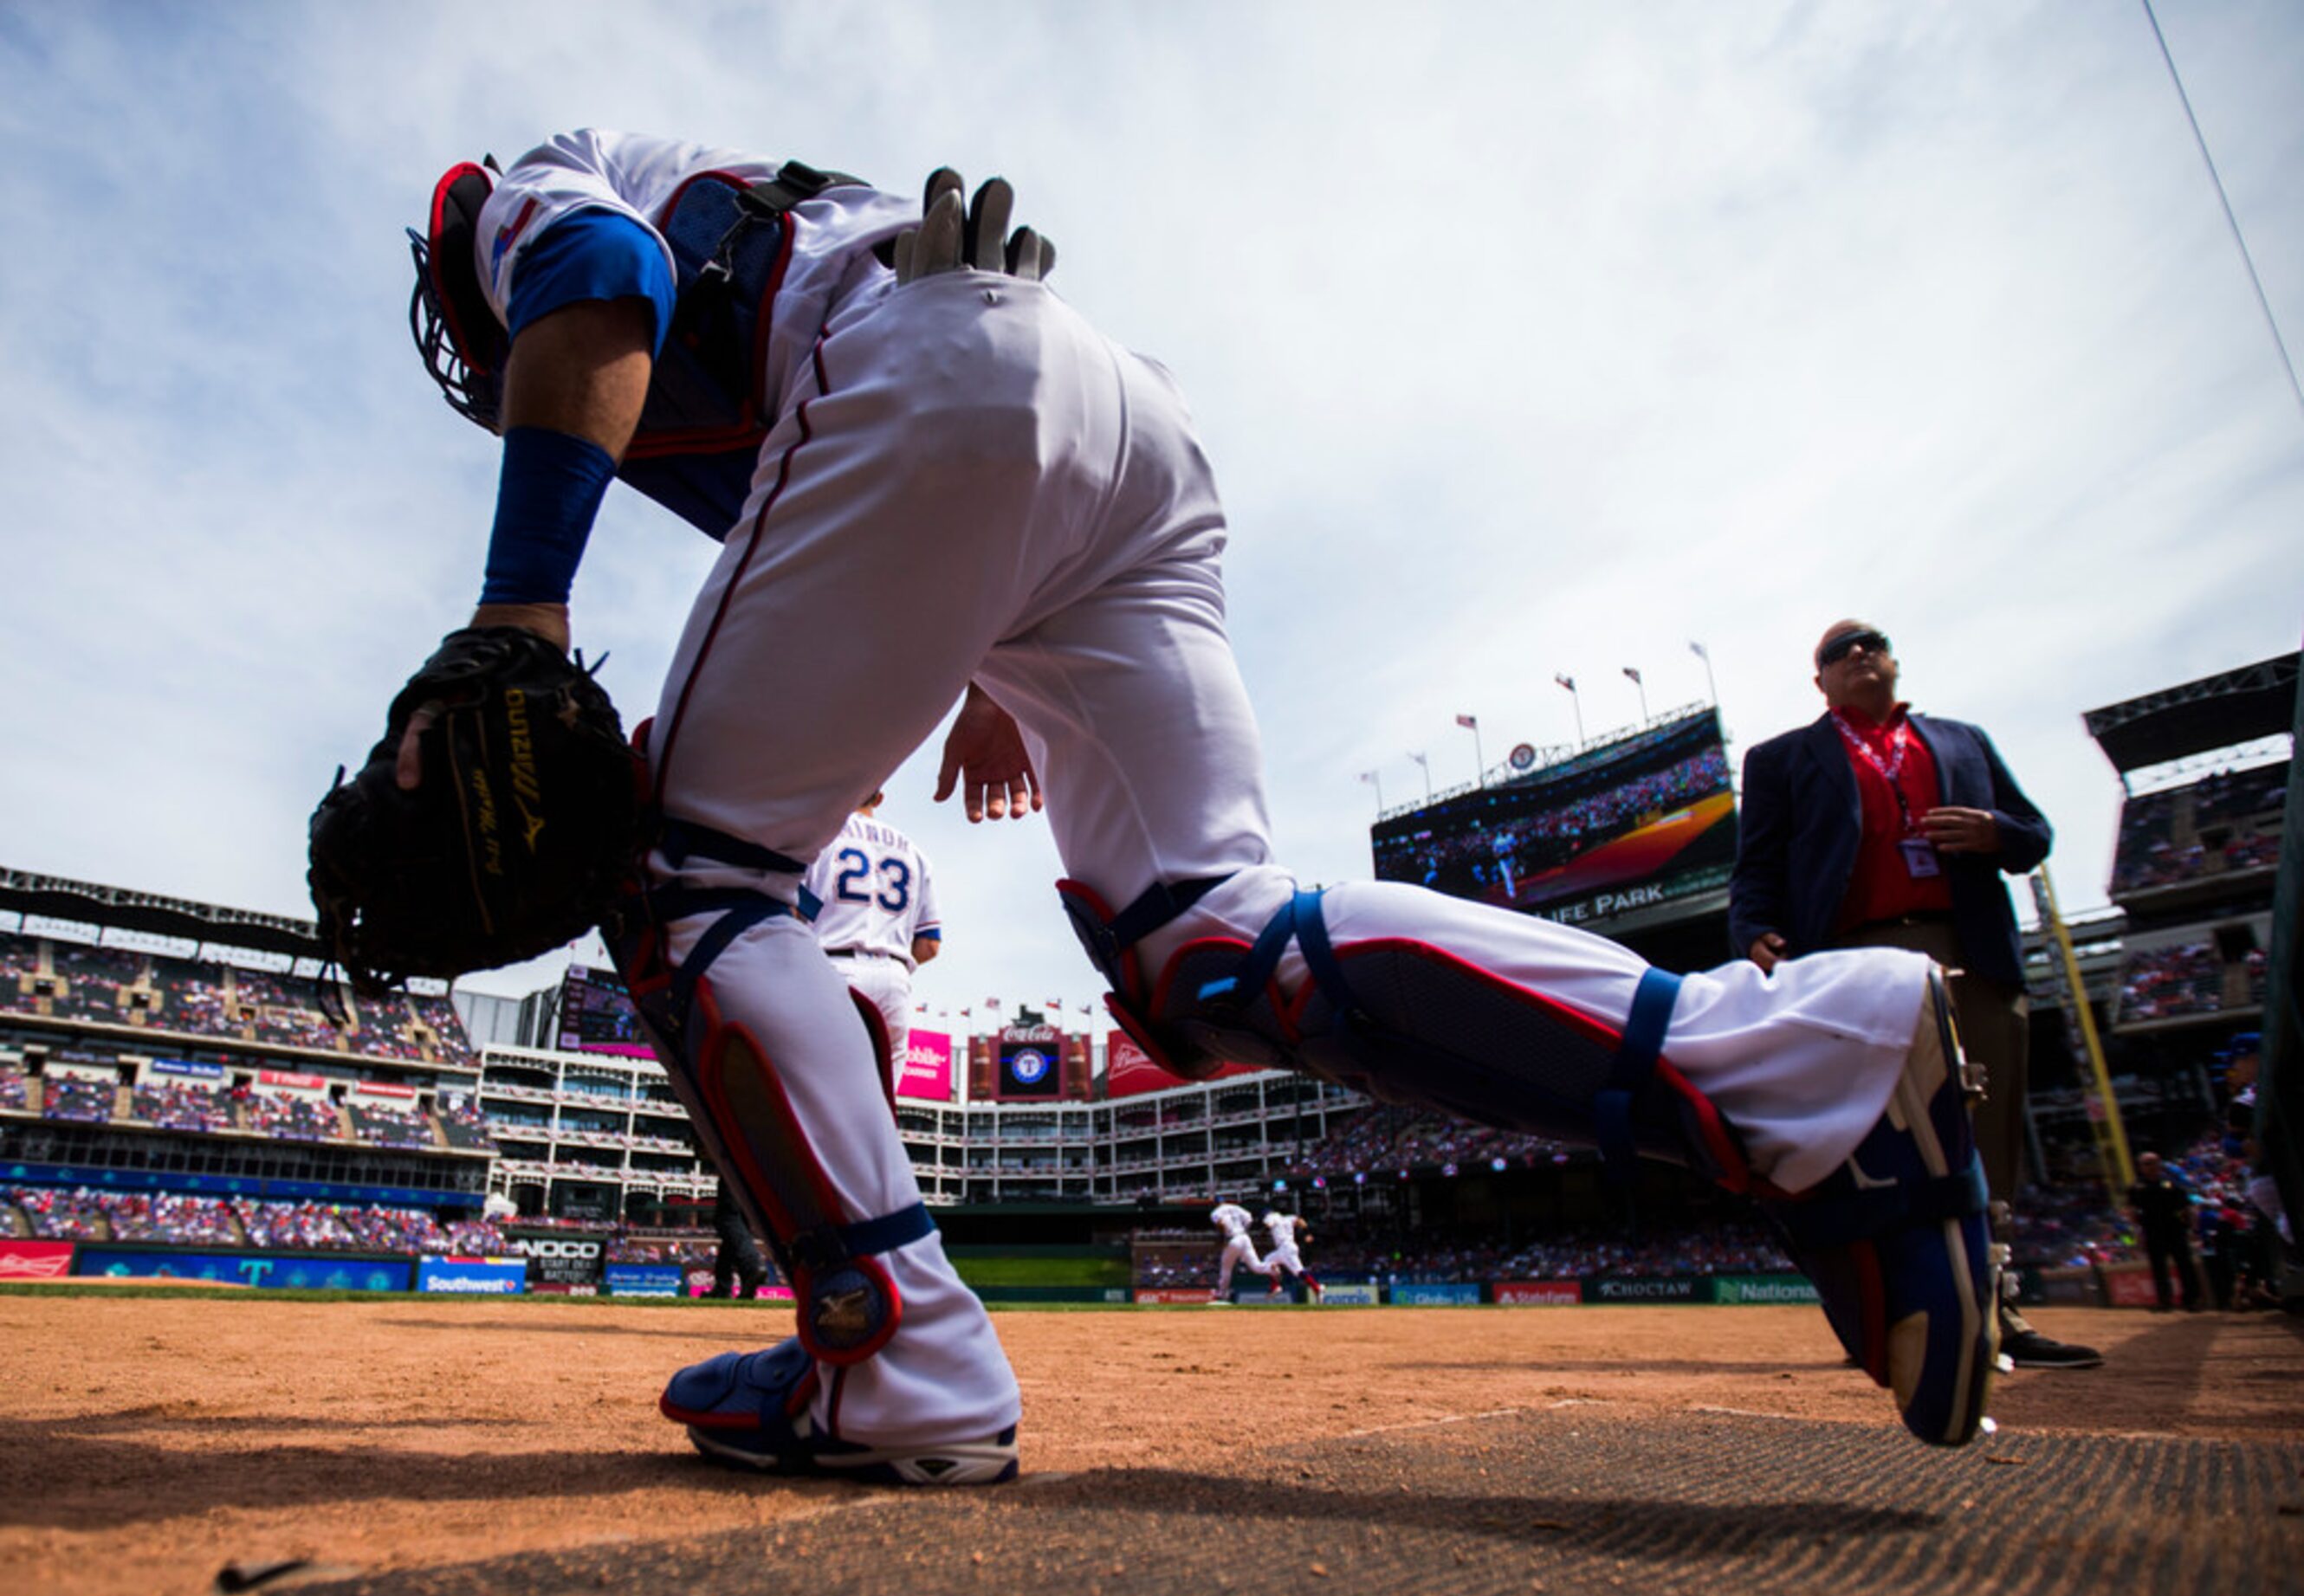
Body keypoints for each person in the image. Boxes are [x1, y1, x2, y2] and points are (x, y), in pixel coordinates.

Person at [398, 129, 2003, 1480]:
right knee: (1211, 944)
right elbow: (879, 474)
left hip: (936, 371)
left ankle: (892, 1356)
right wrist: (973, 650)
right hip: (1113, 428)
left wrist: (515, 614)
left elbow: (596, 267)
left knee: (685, 876)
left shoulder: (517, 192)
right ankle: (1802, 1057)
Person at [1729, 620, 2102, 1373]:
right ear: (1820, 681)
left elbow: (2035, 835)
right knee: (1863, 1137)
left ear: (1894, 662)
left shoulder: (1961, 741)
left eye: (1871, 642)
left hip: (1966, 945)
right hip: (1851, 957)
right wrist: (1754, 932)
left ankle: (1996, 1308)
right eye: (1838, 651)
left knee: (1985, 1129)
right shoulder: (1781, 759)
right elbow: (1757, 863)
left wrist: (1998, 832)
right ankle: (1883, 1313)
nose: (1857, 653)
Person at [801, 790, 942, 1089]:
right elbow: (930, 944)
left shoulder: (818, 837)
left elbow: (796, 912)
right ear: (878, 799)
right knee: (880, 1107)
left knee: (822, 1094)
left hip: (832, 968)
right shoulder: (914, 852)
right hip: (895, 981)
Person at [2128, 1152, 2202, 1313]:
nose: (2151, 1167)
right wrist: (2138, 1233)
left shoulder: (2172, 1184)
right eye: (2146, 1163)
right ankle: (2164, 1301)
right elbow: (2132, 1213)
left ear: (2159, 1164)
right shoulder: (2136, 1188)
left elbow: (2187, 1207)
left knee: (2185, 1265)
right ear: (2140, 1167)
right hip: (2152, 1230)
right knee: (2158, 1268)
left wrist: (2192, 1228)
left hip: (2175, 1228)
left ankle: (2191, 1300)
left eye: (2153, 1162)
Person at [707, 1177, 767, 1300]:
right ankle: (723, 1287)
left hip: (735, 1172)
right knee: (737, 1228)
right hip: (754, 1177)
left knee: (727, 1219)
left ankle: (752, 1266)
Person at [1207, 1198, 1276, 1304]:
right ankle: (1271, 1267)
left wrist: (1222, 1237)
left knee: (1226, 1269)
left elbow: (1220, 1223)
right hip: (1244, 1237)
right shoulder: (1236, 1208)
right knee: (1256, 1266)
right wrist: (1242, 1229)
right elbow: (1249, 1219)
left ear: (1215, 1204)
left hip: (1233, 1239)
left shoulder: (1216, 1212)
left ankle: (1222, 1295)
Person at [1262, 1207, 1321, 1302]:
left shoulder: (1271, 1216)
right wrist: (1308, 1233)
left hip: (1285, 1248)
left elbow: (1267, 1224)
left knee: (1298, 1272)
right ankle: (1275, 1286)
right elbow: (1301, 1221)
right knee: (1268, 1260)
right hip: (1288, 1247)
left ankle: (1317, 1287)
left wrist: (1264, 1229)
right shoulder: (1288, 1218)